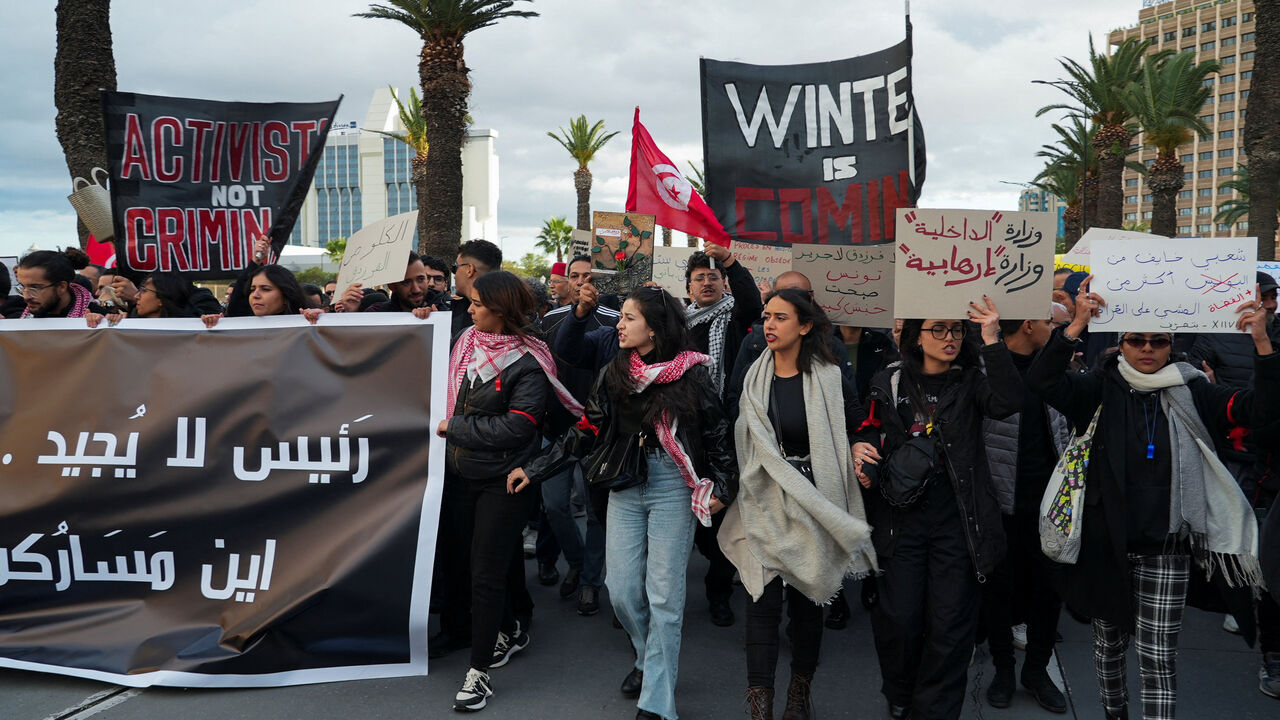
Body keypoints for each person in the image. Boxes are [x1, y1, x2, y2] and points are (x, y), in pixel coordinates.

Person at [1027, 276, 1277, 720]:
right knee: (1108, 649)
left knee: (1159, 658)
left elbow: (1262, 412)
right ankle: (1115, 713)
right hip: (1106, 548)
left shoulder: (1195, 389)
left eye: (1157, 341)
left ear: (1170, 346)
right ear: (1121, 344)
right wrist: (1075, 326)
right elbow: (1043, 382)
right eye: (1136, 340)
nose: (1147, 348)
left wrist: (1261, 342)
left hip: (1168, 550)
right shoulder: (1098, 387)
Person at [511, 287, 737, 720]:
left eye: (629, 318)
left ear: (654, 329)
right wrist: (537, 468)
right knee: (622, 592)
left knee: (665, 597)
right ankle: (646, 655)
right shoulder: (615, 371)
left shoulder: (693, 375)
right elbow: (586, 430)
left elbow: (716, 434)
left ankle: (657, 700)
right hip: (623, 487)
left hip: (673, 484)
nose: (618, 323)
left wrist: (724, 487)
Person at [851, 298, 1022, 720]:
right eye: (939, 329)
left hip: (959, 525)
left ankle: (934, 711)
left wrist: (991, 338)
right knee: (900, 621)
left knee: (950, 627)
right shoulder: (888, 379)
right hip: (900, 522)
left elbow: (1007, 401)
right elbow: (871, 428)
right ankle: (901, 689)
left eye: (955, 330)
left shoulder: (972, 381)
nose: (950, 338)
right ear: (915, 334)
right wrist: (862, 448)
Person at [721, 289, 877, 720]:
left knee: (810, 599)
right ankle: (761, 705)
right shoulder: (754, 375)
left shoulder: (829, 377)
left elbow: (857, 425)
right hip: (763, 494)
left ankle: (798, 693)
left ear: (805, 326)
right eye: (766, 316)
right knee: (762, 599)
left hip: (814, 496)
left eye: (781, 318)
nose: (769, 325)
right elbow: (734, 428)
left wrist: (862, 449)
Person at [438, 271, 582, 713]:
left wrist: (455, 427)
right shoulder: (464, 341)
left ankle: (477, 673)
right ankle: (510, 631)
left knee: (485, 573)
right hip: (461, 476)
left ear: (500, 309)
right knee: (473, 565)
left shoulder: (530, 361)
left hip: (505, 481)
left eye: (478, 303)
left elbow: (519, 425)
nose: (470, 309)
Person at [980, 302, 1074, 713]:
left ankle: (1036, 672)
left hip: (1049, 506)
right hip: (1000, 504)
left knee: (1048, 592)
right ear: (1031, 324)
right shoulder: (985, 372)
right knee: (1000, 592)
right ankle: (1002, 671)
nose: (1055, 330)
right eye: (1051, 323)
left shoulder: (1056, 371)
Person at [684, 243, 764, 627]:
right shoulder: (677, 325)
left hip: (728, 429)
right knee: (698, 518)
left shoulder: (736, 318)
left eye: (713, 277)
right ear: (688, 289)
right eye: (699, 278)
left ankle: (719, 593)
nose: (706, 283)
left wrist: (730, 262)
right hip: (687, 433)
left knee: (722, 510)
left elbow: (750, 299)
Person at [534, 254, 616, 615]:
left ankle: (589, 582)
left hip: (598, 432)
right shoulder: (549, 320)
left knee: (597, 513)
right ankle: (578, 561)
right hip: (556, 427)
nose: (582, 282)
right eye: (575, 275)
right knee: (554, 505)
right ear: (565, 280)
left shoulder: (616, 321)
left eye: (588, 276)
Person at [335, 251, 445, 317]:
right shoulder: (377, 313)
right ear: (392, 286)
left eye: (421, 279)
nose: (416, 289)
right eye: (406, 282)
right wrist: (351, 314)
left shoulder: (447, 310)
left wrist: (436, 319)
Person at [14, 250, 103, 319]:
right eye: (22, 286)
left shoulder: (98, 318)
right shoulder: (18, 317)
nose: (26, 296)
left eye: (35, 288)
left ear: (61, 287)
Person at [452, 239, 503, 337]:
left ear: (469, 270)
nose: (454, 275)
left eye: (455, 268)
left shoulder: (512, 315)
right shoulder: (454, 310)